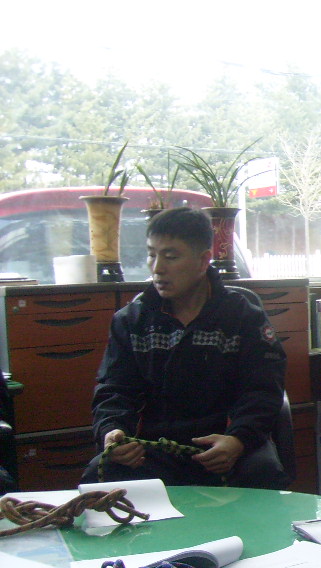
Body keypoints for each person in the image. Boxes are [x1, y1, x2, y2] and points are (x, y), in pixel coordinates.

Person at [81, 207, 290, 489]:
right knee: (99, 477)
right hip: (154, 449)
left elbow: (263, 390)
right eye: (152, 255)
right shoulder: (132, 321)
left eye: (171, 256)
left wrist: (238, 439)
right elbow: (115, 390)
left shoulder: (243, 317)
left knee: (263, 474)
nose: (157, 268)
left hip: (227, 446)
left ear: (203, 260)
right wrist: (112, 431)